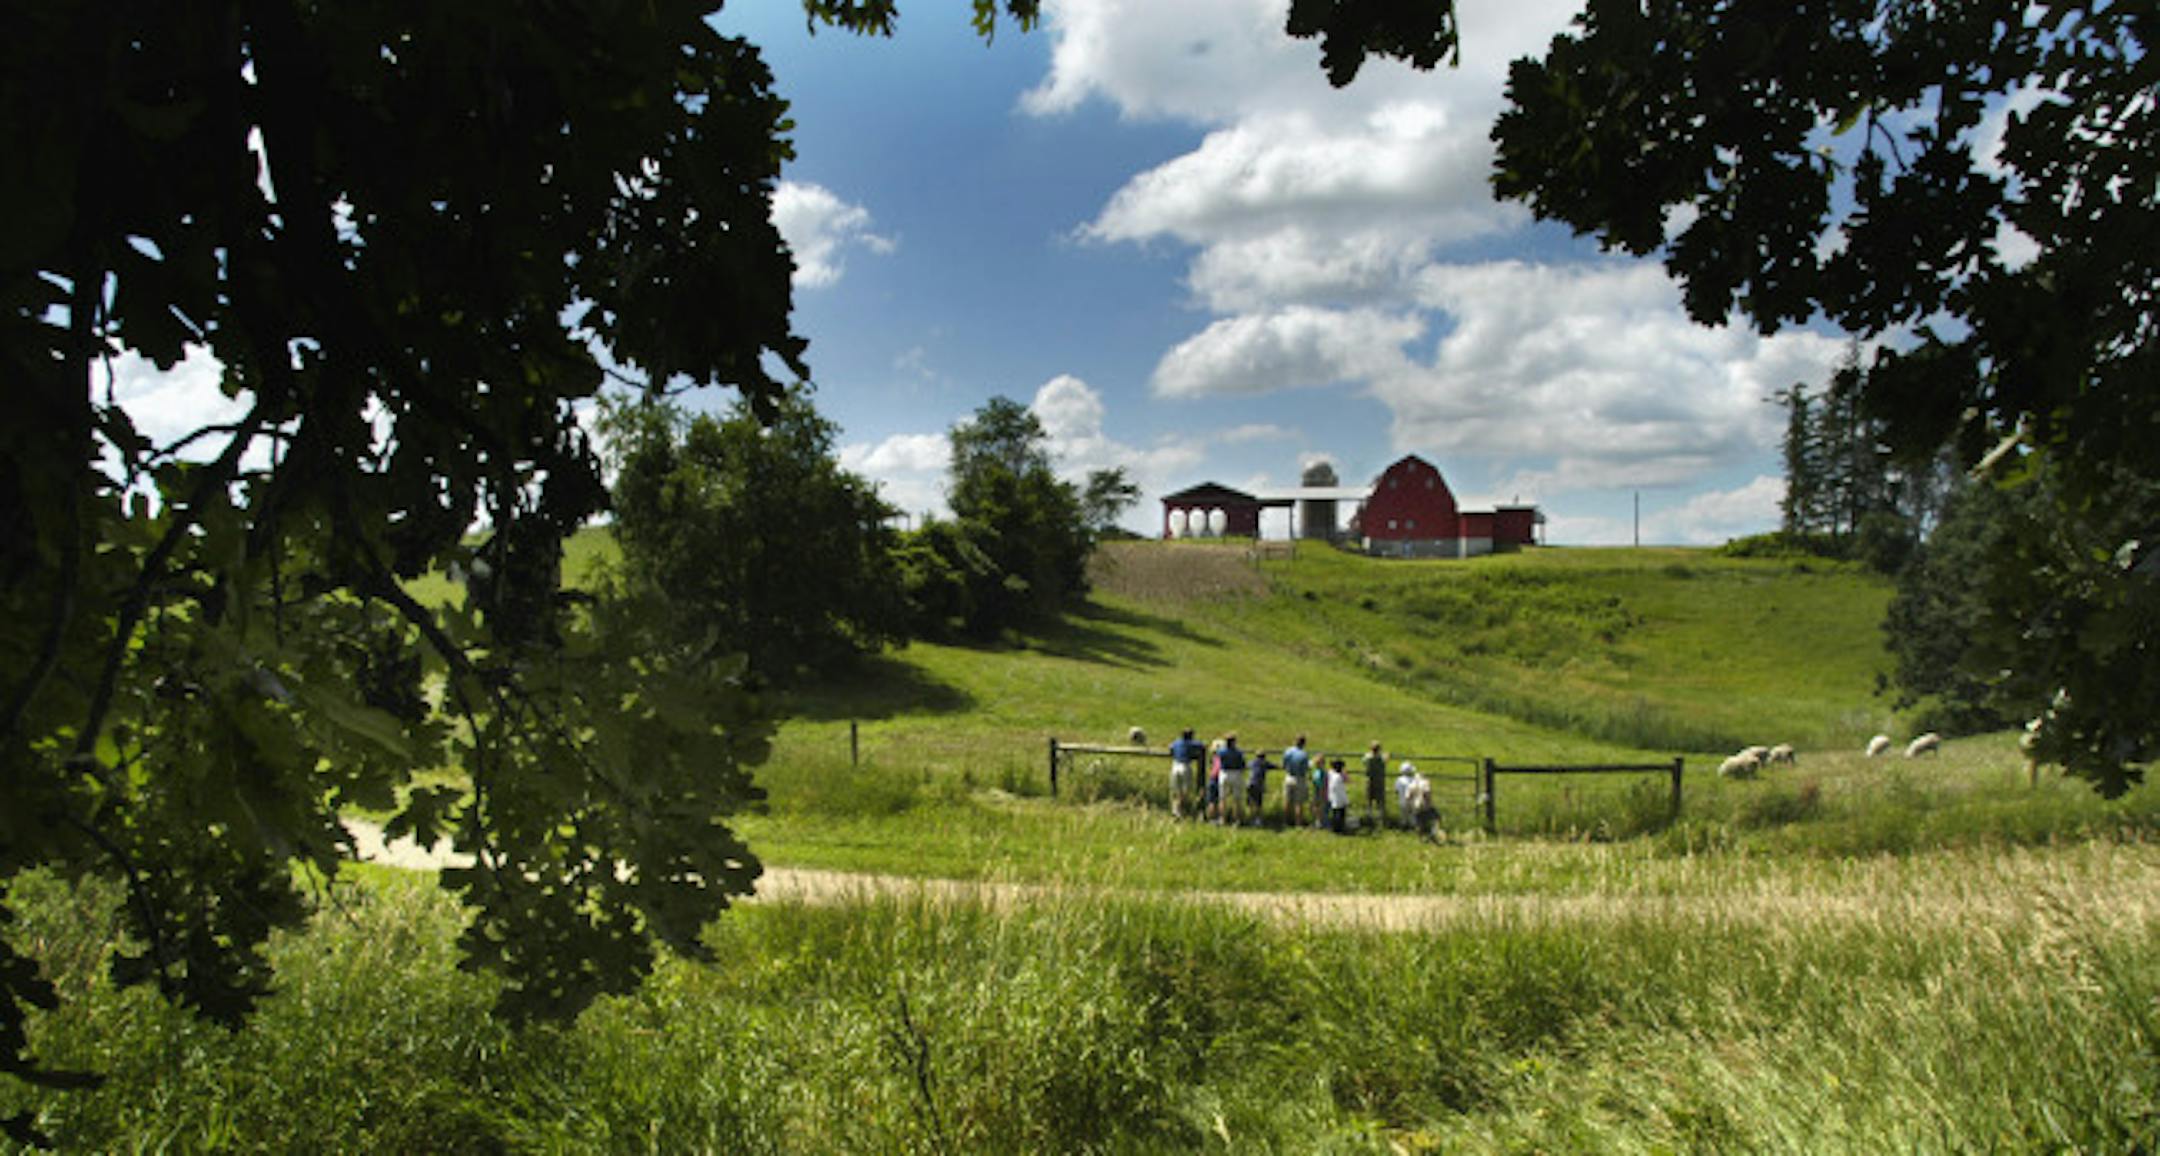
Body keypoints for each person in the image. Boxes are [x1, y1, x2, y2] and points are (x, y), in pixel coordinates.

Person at [1167, 728, 1204, 819]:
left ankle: (1176, 811)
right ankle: (1182, 810)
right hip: (1185, 766)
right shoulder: (1191, 743)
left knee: (1176, 789)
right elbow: (1201, 746)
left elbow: (1170, 748)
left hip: (1175, 766)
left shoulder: (1176, 742)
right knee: (1186, 790)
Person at [1217, 734, 1248, 825]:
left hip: (1224, 773)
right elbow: (1242, 764)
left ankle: (1222, 819)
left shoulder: (1221, 752)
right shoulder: (1238, 752)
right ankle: (1236, 819)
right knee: (1237, 798)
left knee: (1222, 798)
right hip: (1236, 773)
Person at [1280, 736, 1311, 828]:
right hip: (1299, 779)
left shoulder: (1288, 751)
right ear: (1304, 743)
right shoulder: (1304, 754)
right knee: (1299, 802)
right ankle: (1298, 823)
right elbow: (1305, 768)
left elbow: (1284, 764)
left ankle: (1285, 821)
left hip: (1289, 777)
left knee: (1287, 800)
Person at [1407, 767, 1439, 843]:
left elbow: (1408, 796)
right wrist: (1429, 803)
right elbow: (1426, 793)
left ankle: (1420, 839)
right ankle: (1432, 835)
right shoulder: (1425, 783)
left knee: (1419, 822)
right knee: (1435, 819)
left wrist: (1410, 805)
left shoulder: (1411, 784)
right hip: (1424, 805)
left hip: (1415, 805)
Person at [1362, 741, 1387, 826]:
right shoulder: (1381, 758)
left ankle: (1369, 817)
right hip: (1379, 781)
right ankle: (1381, 819)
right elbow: (1386, 759)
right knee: (1380, 801)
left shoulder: (1368, 758)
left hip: (1369, 781)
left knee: (1369, 800)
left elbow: (1363, 761)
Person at [1325, 757, 1350, 834]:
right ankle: (1340, 828)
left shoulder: (1331, 773)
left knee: (1335, 812)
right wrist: (1345, 773)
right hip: (1340, 796)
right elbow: (1348, 780)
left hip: (1332, 795)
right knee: (1341, 813)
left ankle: (1335, 828)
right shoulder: (1340, 776)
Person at [1246, 750, 1271, 824]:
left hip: (1250, 784)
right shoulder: (1265, 763)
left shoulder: (1251, 762)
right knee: (1258, 803)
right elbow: (1274, 766)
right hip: (1258, 784)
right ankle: (1258, 819)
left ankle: (1251, 818)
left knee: (1251, 802)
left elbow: (1246, 765)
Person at [1395, 761, 1416, 830]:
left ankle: (1403, 826)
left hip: (1402, 800)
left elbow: (1397, 791)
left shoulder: (1399, 780)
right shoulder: (1414, 780)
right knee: (1412, 814)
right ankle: (1413, 826)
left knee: (1403, 814)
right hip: (1412, 801)